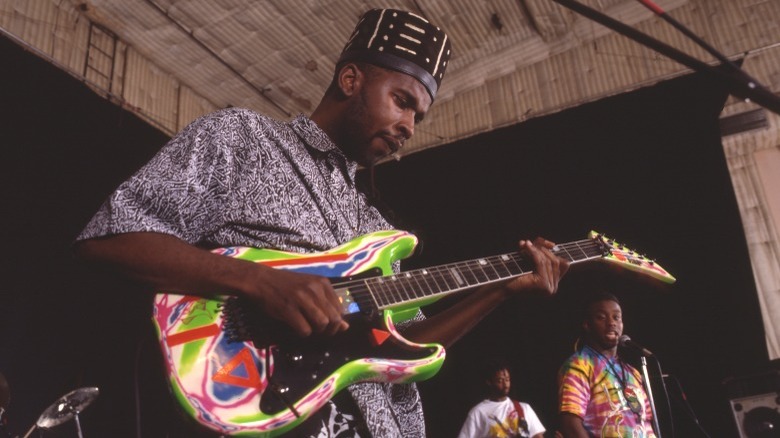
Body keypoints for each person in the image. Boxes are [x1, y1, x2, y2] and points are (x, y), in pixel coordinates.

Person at [73, 8, 569, 437]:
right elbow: (111, 239)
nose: (409, 128)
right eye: (402, 101)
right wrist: (258, 281)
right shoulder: (242, 137)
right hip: (259, 409)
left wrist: (502, 289)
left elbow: (411, 344)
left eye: (419, 116)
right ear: (351, 80)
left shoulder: (372, 223)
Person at [557, 292, 656, 437]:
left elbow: (646, 422)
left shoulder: (632, 372)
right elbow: (571, 423)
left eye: (616, 317)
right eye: (601, 317)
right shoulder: (579, 365)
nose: (611, 323)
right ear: (587, 324)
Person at [458, 359, 546, 438]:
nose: (506, 384)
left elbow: (537, 435)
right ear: (489, 382)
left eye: (507, 379)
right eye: (500, 380)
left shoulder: (525, 408)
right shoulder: (478, 412)